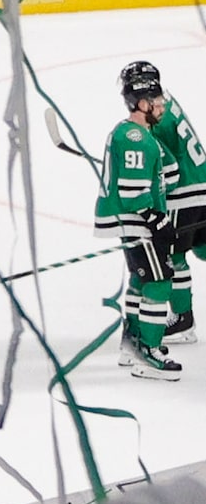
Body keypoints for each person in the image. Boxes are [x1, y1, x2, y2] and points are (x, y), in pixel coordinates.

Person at [98, 68, 183, 379]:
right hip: (139, 225)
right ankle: (148, 351)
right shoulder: (135, 139)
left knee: (141, 279)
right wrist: (157, 220)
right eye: (156, 101)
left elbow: (166, 176)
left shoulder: (135, 136)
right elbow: (133, 194)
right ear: (141, 104)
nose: (161, 106)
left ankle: (131, 345)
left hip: (135, 224)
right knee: (160, 283)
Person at [119, 58, 204, 340]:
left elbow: (170, 173)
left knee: (172, 256)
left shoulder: (151, 119)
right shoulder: (165, 103)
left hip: (185, 196)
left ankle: (183, 320)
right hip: (202, 185)